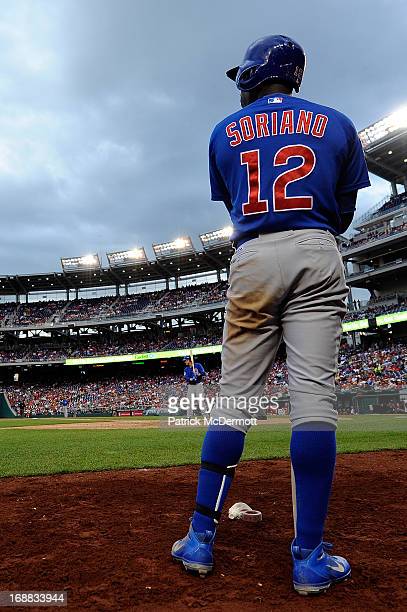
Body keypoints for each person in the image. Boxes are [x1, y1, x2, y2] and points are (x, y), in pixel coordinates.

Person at [172, 34, 370, 594]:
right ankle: (308, 557)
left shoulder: (221, 132)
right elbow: (345, 207)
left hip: (253, 255)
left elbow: (236, 201)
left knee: (234, 398)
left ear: (257, 74)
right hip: (315, 247)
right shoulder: (336, 122)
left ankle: (199, 538)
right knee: (314, 401)